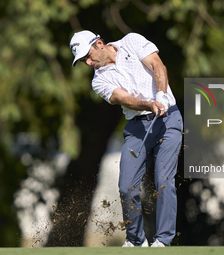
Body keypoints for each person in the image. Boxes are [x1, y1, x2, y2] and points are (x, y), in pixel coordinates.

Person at [69, 30, 183, 247]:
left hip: (168, 119)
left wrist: (161, 95)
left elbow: (158, 66)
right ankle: (135, 241)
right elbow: (124, 99)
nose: (88, 62)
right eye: (83, 60)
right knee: (127, 187)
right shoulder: (99, 81)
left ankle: (163, 241)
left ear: (99, 43)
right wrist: (149, 104)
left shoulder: (132, 41)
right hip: (137, 128)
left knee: (164, 181)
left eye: (88, 56)